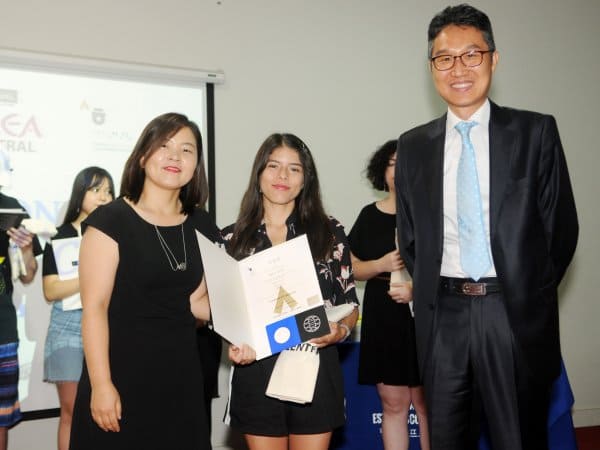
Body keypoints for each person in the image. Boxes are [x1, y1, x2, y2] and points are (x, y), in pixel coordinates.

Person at [394, 4, 578, 450]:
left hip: (511, 313)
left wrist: (526, 291)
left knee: (517, 438)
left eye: (471, 54)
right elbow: (412, 238)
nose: (458, 69)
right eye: (444, 58)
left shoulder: (534, 132)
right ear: (431, 67)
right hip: (444, 317)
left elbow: (560, 231)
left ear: (494, 59)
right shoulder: (413, 146)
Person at [69, 113, 219, 450]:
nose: (175, 156)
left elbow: (196, 302)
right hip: (120, 375)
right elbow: (94, 308)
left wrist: (253, 322)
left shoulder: (203, 224)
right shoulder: (110, 221)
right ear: (142, 156)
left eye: (186, 149)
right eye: (164, 146)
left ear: (196, 165)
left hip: (180, 377)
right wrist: (101, 385)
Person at [223, 133, 359, 450]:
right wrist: (234, 341)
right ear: (259, 174)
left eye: (294, 169)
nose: (282, 176)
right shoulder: (231, 239)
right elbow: (226, 311)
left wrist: (339, 331)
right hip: (256, 368)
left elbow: (350, 303)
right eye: (273, 166)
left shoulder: (330, 232)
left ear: (305, 180)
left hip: (315, 364)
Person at [348, 140, 429, 450]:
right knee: (393, 403)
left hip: (424, 314)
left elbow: (450, 268)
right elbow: (351, 268)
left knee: (428, 404)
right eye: (392, 163)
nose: (398, 169)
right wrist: (380, 264)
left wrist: (416, 291)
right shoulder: (369, 215)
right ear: (382, 171)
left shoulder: (431, 213)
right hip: (383, 312)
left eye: (405, 162)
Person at [42, 167, 114, 450]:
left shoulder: (114, 234)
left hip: (108, 325)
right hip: (68, 329)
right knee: (72, 410)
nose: (104, 197)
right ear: (79, 193)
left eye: (108, 191)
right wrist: (90, 276)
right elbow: (51, 290)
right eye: (96, 190)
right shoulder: (60, 236)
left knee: (107, 409)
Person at [0, 152, 42, 450]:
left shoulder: (11, 208)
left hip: (2, 331)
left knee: (1, 418)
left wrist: (26, 249)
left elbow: (27, 275)